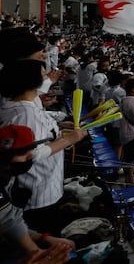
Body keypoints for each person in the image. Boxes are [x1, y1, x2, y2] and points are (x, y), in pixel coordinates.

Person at [0, 60, 87, 234]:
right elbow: (28, 154)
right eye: (43, 74)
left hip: (38, 190)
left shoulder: (16, 107)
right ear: (30, 80)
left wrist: (61, 129)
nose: (47, 77)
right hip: (38, 194)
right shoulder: (25, 114)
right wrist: (69, 140)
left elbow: (40, 138)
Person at [0, 124, 76, 263]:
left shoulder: (8, 175)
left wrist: (43, 239)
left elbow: (9, 220)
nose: (30, 156)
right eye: (26, 154)